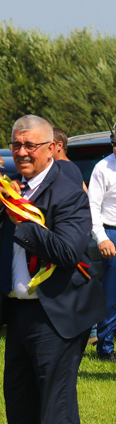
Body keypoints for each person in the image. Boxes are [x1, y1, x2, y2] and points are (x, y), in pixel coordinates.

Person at [0, 115, 104, 424]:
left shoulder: (67, 192)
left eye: (30, 145)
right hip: (20, 313)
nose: (22, 152)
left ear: (51, 148)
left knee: (54, 409)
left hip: (58, 316)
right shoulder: (10, 190)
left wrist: (20, 218)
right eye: (16, 145)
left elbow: (66, 251)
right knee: (20, 406)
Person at [88, 134, 116, 361]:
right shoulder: (102, 168)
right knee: (112, 294)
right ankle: (105, 349)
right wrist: (101, 238)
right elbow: (93, 207)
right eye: (115, 145)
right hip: (112, 232)